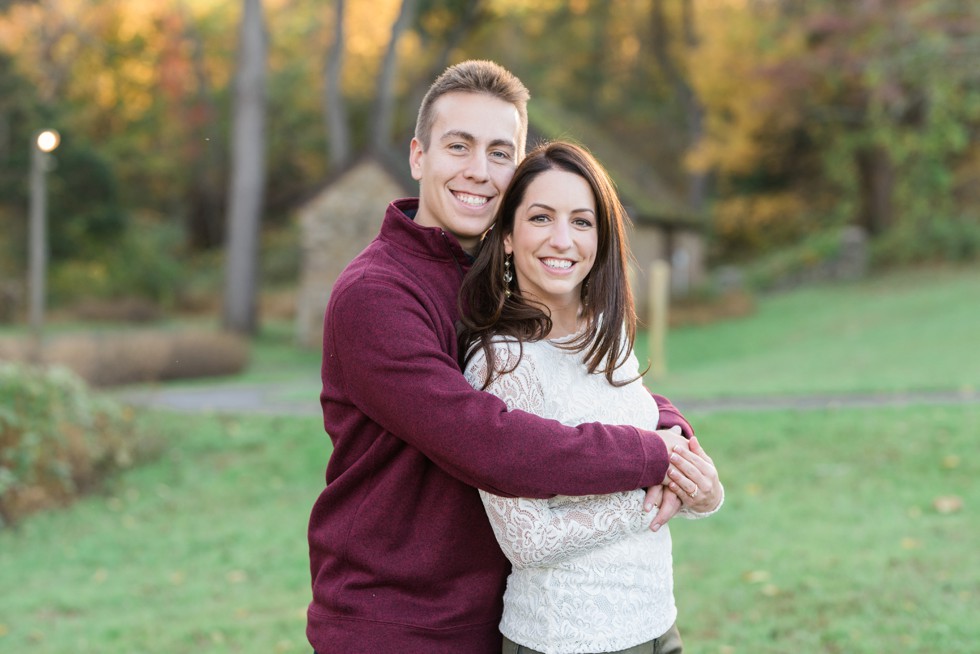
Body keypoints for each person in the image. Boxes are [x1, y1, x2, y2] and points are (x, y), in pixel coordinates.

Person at [307, 60, 698, 654]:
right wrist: (650, 455)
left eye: (499, 152)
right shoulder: (376, 295)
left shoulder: (500, 277)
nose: (478, 171)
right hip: (396, 623)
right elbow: (486, 441)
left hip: (500, 616)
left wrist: (671, 428)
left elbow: (579, 365)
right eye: (458, 146)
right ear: (418, 157)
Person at [458, 141, 724, 654]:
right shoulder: (503, 365)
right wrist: (653, 488)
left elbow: (656, 440)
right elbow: (528, 540)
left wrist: (703, 491)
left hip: (656, 625)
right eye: (541, 217)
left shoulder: (608, 333)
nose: (563, 239)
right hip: (566, 639)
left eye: (582, 222)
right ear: (507, 236)